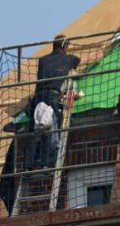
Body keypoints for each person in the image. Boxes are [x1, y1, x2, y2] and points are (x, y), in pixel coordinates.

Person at [26, 35, 80, 170]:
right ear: (64, 46)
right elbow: (86, 60)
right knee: (50, 129)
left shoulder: (42, 60)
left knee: (35, 130)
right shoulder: (69, 59)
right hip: (52, 97)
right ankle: (46, 164)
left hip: (38, 98)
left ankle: (27, 166)